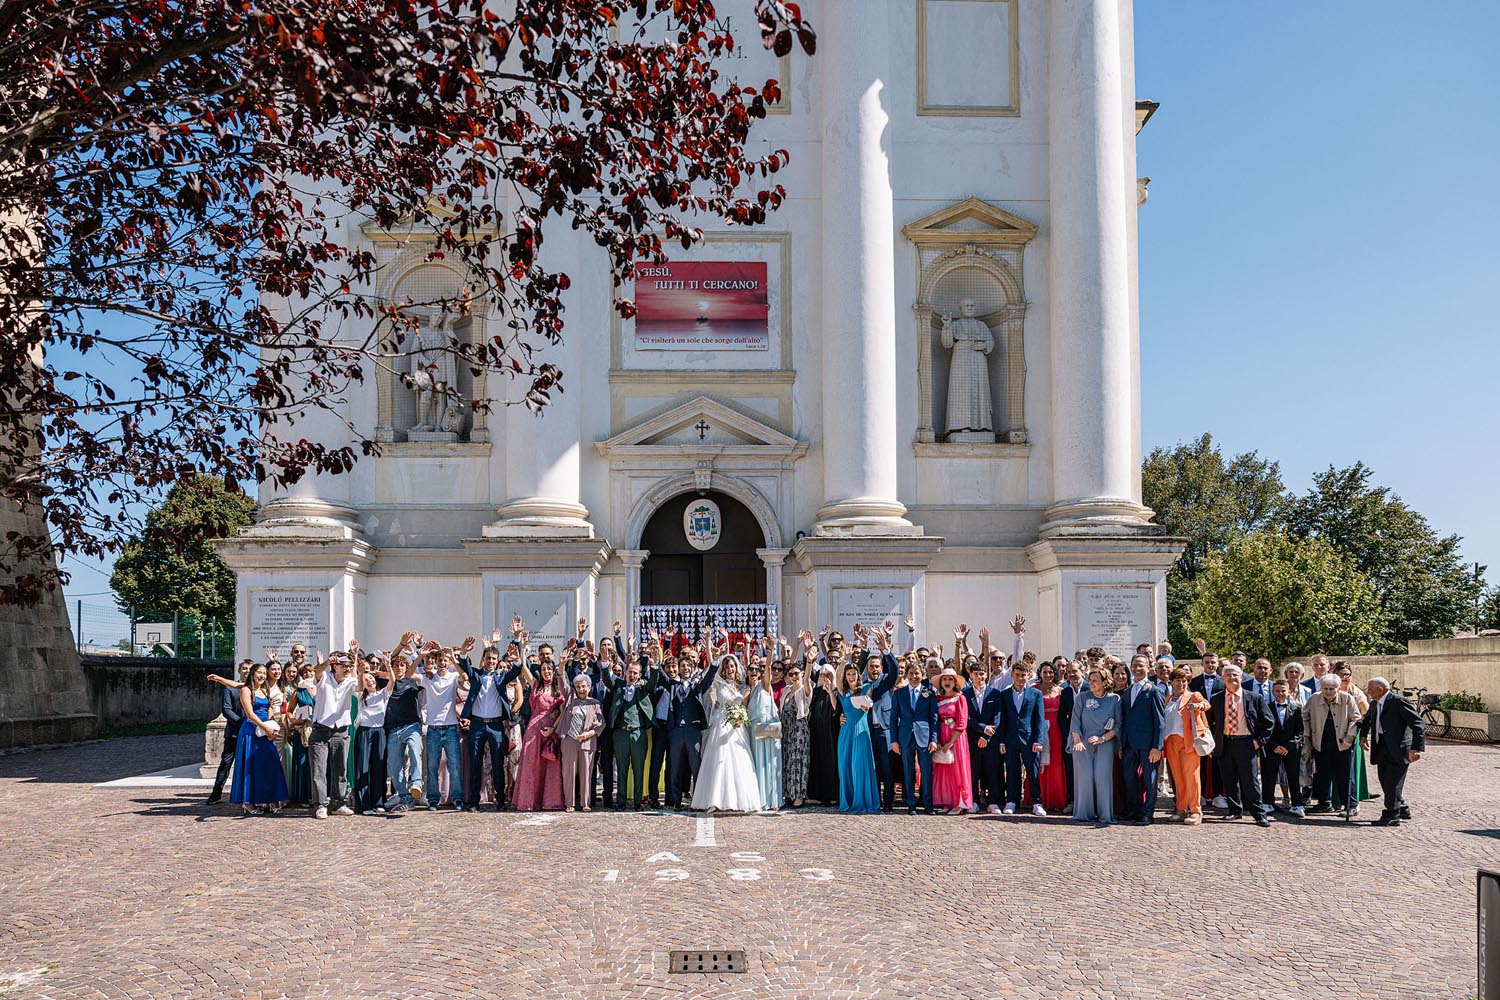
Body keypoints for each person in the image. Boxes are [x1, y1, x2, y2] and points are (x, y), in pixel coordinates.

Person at [459, 623, 526, 812]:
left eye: (494, 659)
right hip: (477, 725)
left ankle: (501, 801)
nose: (491, 661)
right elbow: (464, 665)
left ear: (497, 661)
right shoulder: (476, 675)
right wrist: (463, 652)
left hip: (496, 726)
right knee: (475, 763)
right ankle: (474, 801)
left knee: (498, 764)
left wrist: (517, 645)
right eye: (488, 658)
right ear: (483, 659)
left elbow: (517, 670)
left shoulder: (501, 677)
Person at [834, 628, 899, 814]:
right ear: (867, 669)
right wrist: (843, 716)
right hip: (865, 730)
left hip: (884, 730)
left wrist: (885, 650)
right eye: (871, 666)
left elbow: (895, 670)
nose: (874, 669)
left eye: (877, 666)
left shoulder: (886, 681)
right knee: (869, 768)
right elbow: (849, 679)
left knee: (887, 767)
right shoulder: (861, 685)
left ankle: (888, 801)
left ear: (881, 667)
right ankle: (871, 798)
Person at [690, 645, 762, 813]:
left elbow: (744, 706)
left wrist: (740, 718)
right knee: (718, 760)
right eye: (727, 667)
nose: (730, 669)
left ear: (736, 668)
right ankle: (714, 800)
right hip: (720, 724)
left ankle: (739, 800)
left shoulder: (742, 687)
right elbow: (710, 689)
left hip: (737, 728)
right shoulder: (717, 685)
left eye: (732, 666)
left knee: (738, 762)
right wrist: (710, 646)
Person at [1208, 665, 1273, 826]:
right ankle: (1234, 811)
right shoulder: (1216, 699)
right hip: (1225, 743)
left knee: (1250, 781)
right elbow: (1208, 723)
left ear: (1241, 677)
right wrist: (1213, 742)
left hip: (1246, 743)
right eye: (1228, 675)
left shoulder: (1254, 697)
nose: (1232, 678)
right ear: (1223, 678)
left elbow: (1268, 722)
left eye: (1235, 675)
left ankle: (1259, 814)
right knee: (1229, 780)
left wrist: (1258, 742)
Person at [1361, 677, 1424, 827]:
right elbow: (1367, 719)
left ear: (1380, 690)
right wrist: (1363, 736)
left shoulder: (1398, 702)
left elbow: (1418, 723)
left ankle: (1392, 814)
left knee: (1392, 783)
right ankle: (1401, 807)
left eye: (1370, 689)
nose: (1368, 692)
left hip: (1399, 749)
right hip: (1381, 747)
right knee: (1384, 780)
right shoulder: (1374, 703)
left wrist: (1416, 748)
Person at [229, 662, 290, 814]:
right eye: (259, 673)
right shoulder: (246, 690)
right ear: (253, 674)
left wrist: (271, 727)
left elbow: (269, 709)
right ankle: (248, 803)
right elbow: (250, 714)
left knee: (272, 764)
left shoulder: (265, 689)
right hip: (251, 731)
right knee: (251, 766)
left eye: (264, 673)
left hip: (266, 730)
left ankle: (273, 800)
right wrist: (265, 727)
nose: (262, 676)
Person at [513, 643, 567, 812]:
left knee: (550, 765)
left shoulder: (558, 689)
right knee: (531, 763)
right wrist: (522, 648)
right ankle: (529, 801)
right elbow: (524, 668)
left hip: (550, 730)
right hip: (534, 729)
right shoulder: (536, 685)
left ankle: (549, 801)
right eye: (543, 669)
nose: (546, 672)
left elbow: (562, 712)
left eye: (549, 669)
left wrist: (553, 729)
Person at [307, 646, 359, 819]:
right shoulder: (324, 677)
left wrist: (355, 660)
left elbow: (359, 687)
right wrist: (327, 661)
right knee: (319, 769)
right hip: (321, 729)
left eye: (349, 665)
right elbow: (317, 672)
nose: (347, 668)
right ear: (335, 666)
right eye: (344, 665)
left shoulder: (350, 680)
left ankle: (338, 803)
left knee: (340, 769)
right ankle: (321, 804)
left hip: (341, 729)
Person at [1069, 666, 1122, 827]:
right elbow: (1075, 721)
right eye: (1090, 680)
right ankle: (1084, 814)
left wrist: (1103, 739)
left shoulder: (1115, 699)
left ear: (1105, 682)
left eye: (1095, 680)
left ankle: (1105, 814)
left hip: (1104, 742)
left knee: (1102, 778)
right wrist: (1077, 742)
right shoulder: (1082, 697)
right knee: (1085, 778)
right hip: (1082, 742)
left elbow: (1118, 725)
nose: (1091, 683)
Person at [601, 653, 655, 810]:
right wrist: (605, 664)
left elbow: (653, 681)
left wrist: (654, 666)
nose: (632, 675)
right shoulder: (618, 685)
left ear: (639, 675)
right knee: (621, 768)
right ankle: (621, 801)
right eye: (629, 672)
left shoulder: (643, 687)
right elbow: (607, 680)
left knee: (638, 769)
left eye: (635, 673)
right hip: (620, 734)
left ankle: (637, 801)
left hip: (638, 733)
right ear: (625, 672)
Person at [1302, 673, 1360, 818]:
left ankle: (1351, 805)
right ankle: (1324, 803)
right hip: (1320, 743)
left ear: (1338, 688)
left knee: (1345, 776)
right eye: (1325, 688)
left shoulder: (1347, 698)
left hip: (1342, 743)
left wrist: (1349, 736)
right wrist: (1307, 736)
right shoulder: (1314, 698)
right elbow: (1305, 716)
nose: (1328, 691)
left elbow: (1356, 719)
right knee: (1322, 775)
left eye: (1332, 689)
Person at [1118, 654, 1165, 826]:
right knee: (1129, 778)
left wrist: (1157, 746)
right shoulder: (1127, 692)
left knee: (1149, 779)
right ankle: (1134, 810)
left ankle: (1148, 813)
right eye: (1134, 665)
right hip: (1129, 744)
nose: (1137, 668)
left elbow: (1160, 721)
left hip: (1148, 744)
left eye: (1141, 665)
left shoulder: (1154, 691)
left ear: (1148, 667)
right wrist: (1121, 745)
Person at [997, 656, 1047, 817]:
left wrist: (1038, 740)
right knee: (1012, 770)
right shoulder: (1004, 695)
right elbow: (1002, 720)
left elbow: (1039, 719)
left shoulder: (1035, 694)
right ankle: (1012, 801)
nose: (1020, 678)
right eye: (1017, 675)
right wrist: (1002, 741)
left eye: (1023, 675)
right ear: (1012, 674)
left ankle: (1037, 802)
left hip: (1030, 739)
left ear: (1029, 675)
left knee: (1032, 772)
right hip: (1011, 739)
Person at [381, 637, 426, 812]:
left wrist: (419, 650)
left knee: (415, 749)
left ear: (406, 667)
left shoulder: (413, 681)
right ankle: (405, 796)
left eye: (401, 665)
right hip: (393, 728)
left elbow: (424, 668)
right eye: (395, 665)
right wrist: (400, 645)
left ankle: (416, 784)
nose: (398, 668)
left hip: (411, 725)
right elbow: (388, 659)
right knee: (394, 765)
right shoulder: (387, 682)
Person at [1161, 666, 1209, 825]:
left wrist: (1198, 706)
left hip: (1188, 742)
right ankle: (1181, 809)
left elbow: (1205, 704)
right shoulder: (1167, 699)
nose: (1181, 684)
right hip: (1171, 742)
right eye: (1177, 680)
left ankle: (1195, 810)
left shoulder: (1192, 696)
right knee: (1178, 778)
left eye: (1184, 681)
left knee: (1192, 777)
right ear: (1171, 682)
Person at [891, 657, 937, 815]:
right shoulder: (899, 693)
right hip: (905, 737)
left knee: (926, 771)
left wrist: (934, 739)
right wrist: (894, 740)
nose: (914, 676)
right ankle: (911, 804)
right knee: (908, 771)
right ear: (907, 675)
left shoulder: (929, 693)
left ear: (922, 674)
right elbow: (893, 718)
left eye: (917, 673)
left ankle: (928, 804)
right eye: (911, 673)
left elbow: (934, 719)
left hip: (924, 737)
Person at [557, 672, 604, 812]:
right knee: (568, 773)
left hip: (587, 742)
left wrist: (589, 734)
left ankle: (585, 803)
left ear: (589, 687)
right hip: (570, 740)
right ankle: (569, 803)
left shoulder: (595, 703)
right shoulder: (570, 699)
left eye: (583, 686)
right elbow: (562, 685)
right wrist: (561, 668)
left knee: (586, 774)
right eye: (578, 687)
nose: (581, 689)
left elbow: (601, 723)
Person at [930, 667, 973, 815]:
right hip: (941, 734)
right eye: (944, 679)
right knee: (943, 769)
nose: (947, 682)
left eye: (950, 679)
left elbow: (962, 722)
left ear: (955, 682)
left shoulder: (960, 698)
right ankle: (947, 801)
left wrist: (951, 742)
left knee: (957, 770)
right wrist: (937, 740)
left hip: (956, 737)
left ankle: (958, 803)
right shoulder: (937, 699)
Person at [1260, 679, 1305, 818]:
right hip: (1272, 749)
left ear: (1288, 691)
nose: (1280, 693)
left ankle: (1297, 804)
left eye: (1283, 691)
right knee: (1269, 776)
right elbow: (1264, 729)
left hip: (1291, 749)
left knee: (1293, 777)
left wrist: (1288, 746)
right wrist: (1274, 746)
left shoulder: (1296, 708)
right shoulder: (1266, 707)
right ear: (1273, 692)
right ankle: (1268, 803)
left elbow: (1300, 731)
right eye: (1277, 691)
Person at [746, 641, 783, 811]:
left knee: (770, 763)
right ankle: (759, 799)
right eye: (752, 669)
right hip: (754, 732)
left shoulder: (764, 685)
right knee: (757, 764)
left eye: (758, 669)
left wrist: (770, 651)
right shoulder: (748, 690)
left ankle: (772, 799)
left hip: (767, 731)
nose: (755, 671)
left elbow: (768, 668)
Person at [351, 654, 390, 815]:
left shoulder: (383, 693)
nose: (370, 681)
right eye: (367, 680)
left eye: (371, 679)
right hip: (364, 731)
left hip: (380, 731)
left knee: (378, 767)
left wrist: (387, 666)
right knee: (362, 767)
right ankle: (363, 805)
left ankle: (378, 802)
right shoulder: (361, 695)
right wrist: (361, 672)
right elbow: (359, 685)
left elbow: (392, 680)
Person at [205, 662, 248, 805]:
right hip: (234, 732)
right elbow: (227, 710)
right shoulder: (230, 689)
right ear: (239, 670)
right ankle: (216, 793)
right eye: (244, 668)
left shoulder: (256, 689)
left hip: (250, 733)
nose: (247, 671)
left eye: (249, 669)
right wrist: (241, 723)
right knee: (226, 763)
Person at [1335, 662, 1374, 809]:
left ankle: (1353, 800)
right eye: (1341, 674)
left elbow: (1366, 713)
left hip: (1352, 734)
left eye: (1347, 674)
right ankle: (1336, 800)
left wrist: (1357, 729)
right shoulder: (1331, 688)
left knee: (1351, 768)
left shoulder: (1356, 693)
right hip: (1335, 734)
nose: (1344, 677)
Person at [779, 654, 814, 808]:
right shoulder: (786, 690)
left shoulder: (804, 689)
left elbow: (807, 681)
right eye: (791, 674)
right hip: (786, 730)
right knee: (788, 760)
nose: (794, 676)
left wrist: (809, 662)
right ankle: (789, 793)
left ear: (801, 674)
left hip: (799, 730)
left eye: (796, 673)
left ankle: (799, 795)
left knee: (799, 761)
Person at [807, 662, 841, 807]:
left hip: (831, 732)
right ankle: (819, 795)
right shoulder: (816, 691)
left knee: (831, 762)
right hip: (817, 731)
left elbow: (835, 708)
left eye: (828, 675)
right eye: (823, 675)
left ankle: (832, 795)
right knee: (818, 761)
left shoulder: (837, 691)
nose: (825, 677)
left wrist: (830, 692)